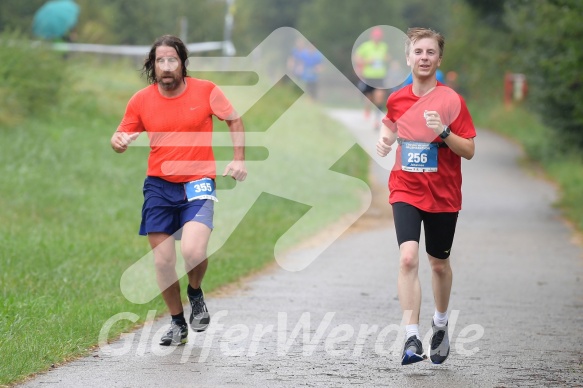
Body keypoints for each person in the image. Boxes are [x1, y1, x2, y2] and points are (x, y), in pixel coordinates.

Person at [110, 35, 247, 346]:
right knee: (163, 261)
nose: (167, 66)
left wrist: (239, 159)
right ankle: (177, 323)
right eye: (161, 61)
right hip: (158, 186)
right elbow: (121, 135)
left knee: (194, 252)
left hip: (198, 182)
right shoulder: (141, 100)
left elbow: (234, 119)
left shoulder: (206, 91)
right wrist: (117, 141)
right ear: (153, 66)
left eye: (173, 60)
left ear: (183, 64)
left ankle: (195, 292)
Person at [375, 27, 476, 365]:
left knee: (439, 264)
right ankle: (410, 338)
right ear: (408, 57)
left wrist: (443, 132)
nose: (424, 57)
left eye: (430, 52)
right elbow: (389, 123)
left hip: (444, 194)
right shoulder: (398, 97)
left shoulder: (451, 100)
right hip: (405, 186)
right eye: (418, 52)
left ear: (439, 59)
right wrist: (385, 140)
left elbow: (470, 150)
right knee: (407, 258)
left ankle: (441, 324)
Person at [354, 26, 390, 127]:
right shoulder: (366, 46)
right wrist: (367, 61)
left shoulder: (384, 46)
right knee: (369, 97)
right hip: (368, 76)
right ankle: (367, 109)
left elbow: (386, 57)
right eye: (375, 36)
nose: (377, 38)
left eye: (379, 37)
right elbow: (357, 59)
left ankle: (377, 120)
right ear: (372, 37)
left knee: (379, 96)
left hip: (380, 76)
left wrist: (387, 59)